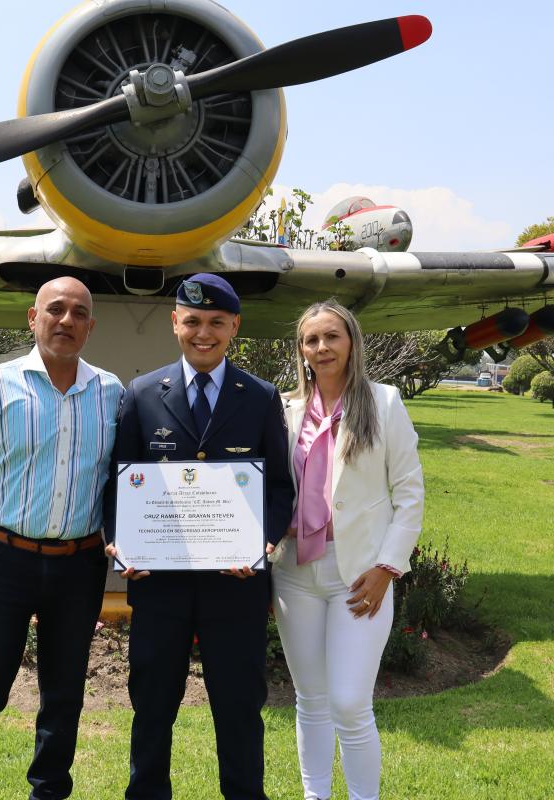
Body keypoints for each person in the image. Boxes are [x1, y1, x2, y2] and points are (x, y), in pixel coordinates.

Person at [104, 273, 295, 800]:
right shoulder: (142, 394)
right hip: (159, 583)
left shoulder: (259, 397)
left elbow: (279, 488)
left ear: (235, 325)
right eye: (192, 321)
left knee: (238, 709)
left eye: (215, 322)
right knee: (152, 706)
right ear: (174, 324)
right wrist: (120, 539)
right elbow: (119, 481)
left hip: (233, 585)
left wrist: (264, 543)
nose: (203, 333)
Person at [0, 277, 123, 800]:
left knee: (64, 695)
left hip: (78, 565)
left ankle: (48, 792)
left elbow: (124, 482)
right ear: (32, 317)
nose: (65, 320)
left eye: (78, 312)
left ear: (90, 326)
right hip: (4, 562)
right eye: (55, 309)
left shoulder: (111, 393)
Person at [274, 300, 423, 800]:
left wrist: (388, 567)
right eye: (311, 340)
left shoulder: (383, 403)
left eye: (332, 337)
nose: (322, 348)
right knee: (310, 699)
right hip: (295, 573)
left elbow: (409, 493)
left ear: (351, 341)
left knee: (350, 702)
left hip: (360, 575)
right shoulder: (286, 409)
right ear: (301, 350)